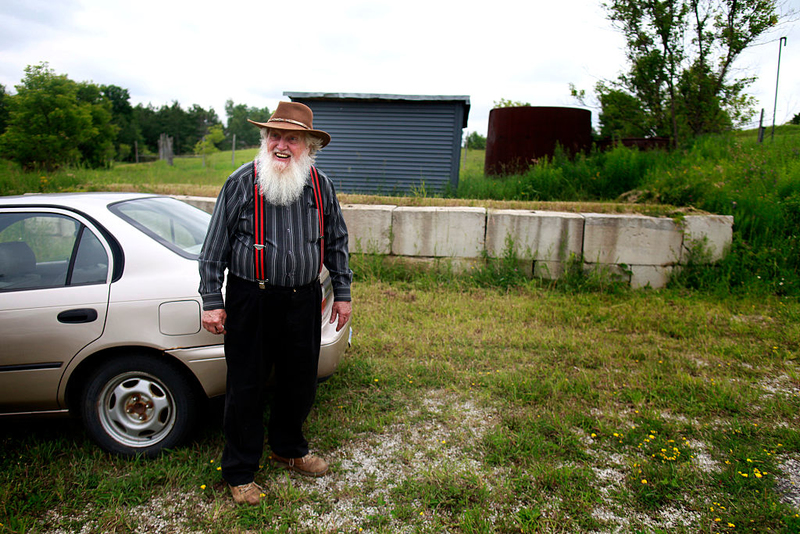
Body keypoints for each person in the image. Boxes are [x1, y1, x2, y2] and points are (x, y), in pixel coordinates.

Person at [198, 101, 352, 506]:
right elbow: (213, 248)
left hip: (304, 299)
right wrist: (212, 300)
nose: (282, 146)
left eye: (292, 139)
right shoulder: (240, 182)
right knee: (246, 385)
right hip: (253, 299)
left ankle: (288, 447)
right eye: (275, 137)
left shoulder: (322, 186)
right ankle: (239, 470)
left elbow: (336, 243)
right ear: (265, 140)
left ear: (308, 147)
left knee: (300, 380)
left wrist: (345, 294)